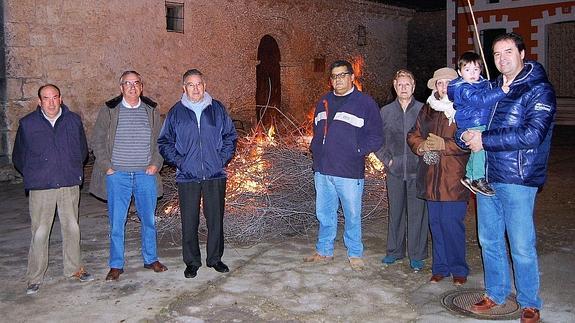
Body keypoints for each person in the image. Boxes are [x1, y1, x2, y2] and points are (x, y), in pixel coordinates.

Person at [462, 33, 555, 323]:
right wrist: (465, 134)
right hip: (487, 176)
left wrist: (485, 140)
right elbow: (470, 114)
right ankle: (495, 293)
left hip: (517, 177)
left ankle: (529, 301)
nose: (502, 59)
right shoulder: (493, 87)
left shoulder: (538, 89)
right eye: (497, 54)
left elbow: (532, 134)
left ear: (522, 53)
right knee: (488, 239)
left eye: (508, 52)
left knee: (521, 244)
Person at [12, 84, 93, 295]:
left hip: (68, 182)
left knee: (72, 227)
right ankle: (34, 276)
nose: (50, 102)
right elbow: (19, 157)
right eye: (45, 98)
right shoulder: (28, 124)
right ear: (39, 101)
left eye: (54, 97)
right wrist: (36, 173)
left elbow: (82, 150)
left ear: (61, 99)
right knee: (39, 231)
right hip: (42, 186)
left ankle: (74, 269)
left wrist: (72, 168)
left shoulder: (73, 121)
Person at [158, 69, 237, 279]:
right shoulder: (176, 112)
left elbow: (230, 135)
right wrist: (180, 162)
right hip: (188, 176)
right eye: (191, 85)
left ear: (205, 85)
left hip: (214, 174)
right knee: (189, 220)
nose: (196, 88)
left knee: (215, 219)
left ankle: (215, 259)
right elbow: (164, 142)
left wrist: (221, 159)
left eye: (199, 84)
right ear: (184, 88)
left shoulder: (217, 109)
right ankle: (192, 262)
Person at [305, 60, 383, 271]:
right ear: (330, 81)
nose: (338, 80)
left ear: (351, 77)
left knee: (352, 214)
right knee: (324, 213)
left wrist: (356, 151)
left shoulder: (364, 103)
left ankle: (355, 253)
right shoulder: (323, 101)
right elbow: (317, 131)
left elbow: (376, 137)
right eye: (334, 77)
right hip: (322, 170)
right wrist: (316, 149)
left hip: (349, 171)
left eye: (342, 75)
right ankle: (324, 250)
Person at [90, 71, 167, 281]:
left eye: (136, 83)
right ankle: (116, 264)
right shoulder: (109, 110)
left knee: (149, 220)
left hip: (145, 174)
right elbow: (96, 140)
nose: (132, 87)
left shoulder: (151, 109)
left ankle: (151, 258)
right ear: (121, 87)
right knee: (117, 222)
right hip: (118, 175)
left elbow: (161, 141)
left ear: (142, 87)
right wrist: (107, 167)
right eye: (127, 83)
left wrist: (155, 164)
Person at [406, 68, 470, 286]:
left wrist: (445, 145)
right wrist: (421, 145)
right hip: (431, 176)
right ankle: (440, 267)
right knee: (435, 224)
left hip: (454, 178)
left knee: (452, 223)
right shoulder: (428, 109)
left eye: (448, 83)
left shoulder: (463, 109)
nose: (443, 87)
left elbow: (469, 141)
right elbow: (413, 134)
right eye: (440, 83)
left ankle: (459, 268)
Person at [375, 69, 428, 272]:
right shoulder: (386, 112)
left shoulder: (424, 110)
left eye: (407, 84)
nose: (403, 88)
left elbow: (430, 138)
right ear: (394, 87)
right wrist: (387, 161)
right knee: (395, 211)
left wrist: (425, 160)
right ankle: (395, 250)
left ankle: (417, 254)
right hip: (394, 171)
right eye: (400, 85)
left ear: (414, 87)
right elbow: (377, 140)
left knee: (417, 214)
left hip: (418, 170)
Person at [448, 51, 508, 196]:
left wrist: (489, 86)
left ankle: (469, 176)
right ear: (460, 72)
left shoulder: (480, 83)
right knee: (480, 150)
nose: (472, 73)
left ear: (481, 69)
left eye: (476, 69)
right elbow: (480, 101)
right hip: (473, 121)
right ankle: (478, 178)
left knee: (476, 152)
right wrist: (501, 91)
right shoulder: (464, 88)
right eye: (467, 70)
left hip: (478, 120)